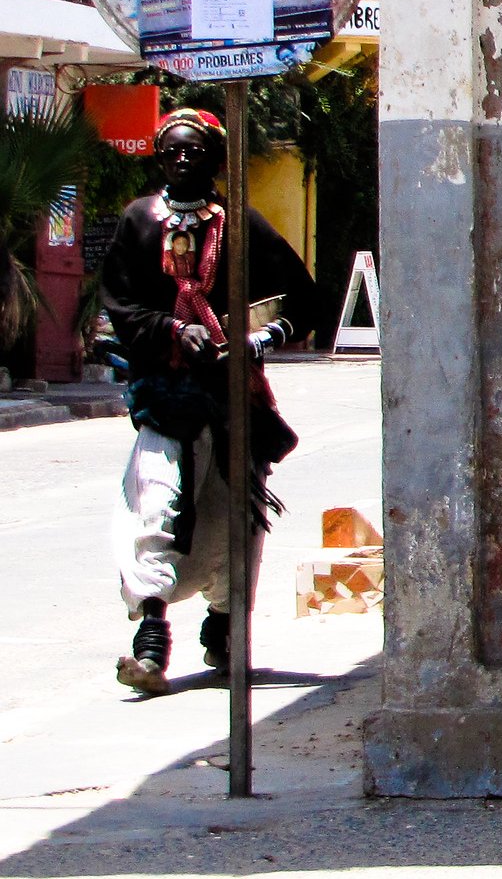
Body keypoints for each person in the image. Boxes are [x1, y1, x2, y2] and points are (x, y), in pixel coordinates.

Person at [101, 108, 319, 695]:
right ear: (159, 157)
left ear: (216, 159)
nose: (182, 160)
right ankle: (150, 640)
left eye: (194, 151)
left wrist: (257, 337)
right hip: (164, 397)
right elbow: (120, 305)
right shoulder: (139, 222)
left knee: (235, 514)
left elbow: (301, 298)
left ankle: (224, 628)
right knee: (154, 500)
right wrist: (172, 332)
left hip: (229, 396)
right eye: (171, 151)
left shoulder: (241, 224)